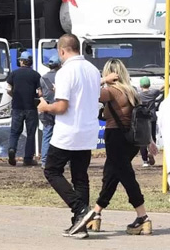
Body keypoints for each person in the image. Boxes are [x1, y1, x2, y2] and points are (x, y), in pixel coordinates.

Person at [38, 34, 105, 239]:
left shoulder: (65, 71)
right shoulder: (93, 70)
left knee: (52, 170)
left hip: (68, 131)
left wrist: (45, 107)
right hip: (88, 130)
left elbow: (61, 106)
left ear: (62, 51)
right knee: (80, 177)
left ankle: (80, 209)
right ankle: (80, 224)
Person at [86, 59, 157, 235]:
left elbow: (88, 93)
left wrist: (102, 81)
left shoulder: (110, 91)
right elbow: (141, 120)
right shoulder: (132, 92)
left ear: (110, 73)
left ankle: (143, 217)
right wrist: (150, 141)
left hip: (115, 137)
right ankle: (96, 213)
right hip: (131, 140)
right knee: (111, 174)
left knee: (125, 175)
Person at [5, 51, 41, 167]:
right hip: (31, 107)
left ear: (21, 61)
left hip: (17, 107)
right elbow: (40, 92)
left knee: (15, 132)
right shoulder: (35, 75)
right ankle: (28, 159)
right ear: (30, 62)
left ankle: (12, 149)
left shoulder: (14, 74)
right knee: (31, 134)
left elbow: (8, 89)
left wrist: (14, 96)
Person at [38, 55, 61, 168]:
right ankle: (64, 160)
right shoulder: (62, 77)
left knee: (47, 134)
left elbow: (40, 94)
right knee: (62, 135)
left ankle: (44, 161)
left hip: (46, 110)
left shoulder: (43, 78)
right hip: (60, 109)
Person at [137, 77, 161, 167]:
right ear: (149, 85)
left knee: (142, 140)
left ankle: (145, 161)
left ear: (140, 85)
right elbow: (159, 90)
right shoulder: (153, 93)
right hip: (152, 118)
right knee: (152, 137)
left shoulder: (139, 95)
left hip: (142, 119)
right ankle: (152, 151)